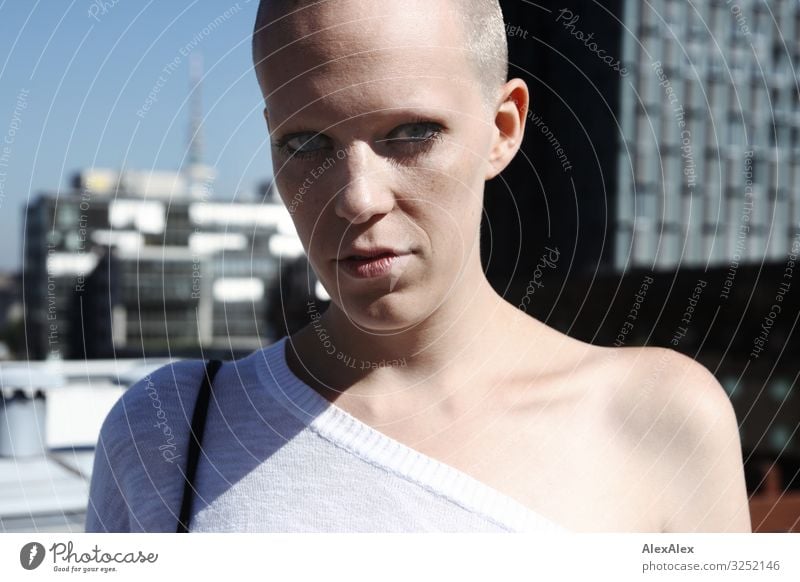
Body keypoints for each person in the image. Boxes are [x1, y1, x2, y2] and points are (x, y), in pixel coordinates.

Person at [85, 0, 751, 533]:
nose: (357, 197)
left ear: (503, 129)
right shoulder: (167, 433)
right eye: (305, 143)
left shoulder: (661, 421)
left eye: (411, 134)